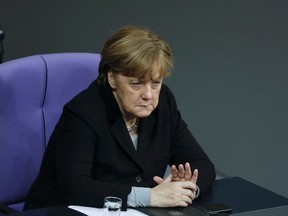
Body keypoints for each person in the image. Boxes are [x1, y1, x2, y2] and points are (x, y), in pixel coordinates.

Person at [24, 25, 215, 210]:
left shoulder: (163, 102)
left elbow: (202, 164)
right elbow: (76, 188)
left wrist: (185, 188)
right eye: (136, 84)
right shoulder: (83, 113)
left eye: (156, 83)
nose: (148, 94)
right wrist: (151, 196)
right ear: (112, 78)